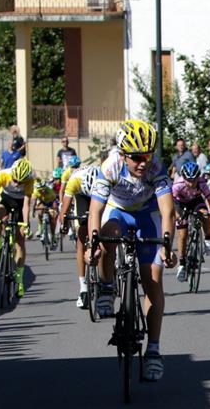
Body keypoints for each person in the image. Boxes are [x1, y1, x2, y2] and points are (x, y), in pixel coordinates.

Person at [87, 120, 176, 381]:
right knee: (108, 236)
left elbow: (168, 211)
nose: (143, 163)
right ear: (123, 155)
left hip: (147, 215)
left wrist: (168, 246)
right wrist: (93, 245)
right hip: (118, 211)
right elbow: (95, 211)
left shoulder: (156, 167)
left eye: (147, 156)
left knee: (153, 281)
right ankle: (107, 286)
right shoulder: (110, 166)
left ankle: (153, 351)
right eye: (136, 158)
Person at [0, 158, 35, 296]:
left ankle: (19, 280)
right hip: (6, 199)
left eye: (20, 182)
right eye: (15, 180)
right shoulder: (3, 175)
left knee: (20, 241)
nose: (17, 183)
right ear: (12, 174)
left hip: (20, 203)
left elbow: (26, 205)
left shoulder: (30, 181)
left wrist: (26, 224)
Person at [58, 165, 99, 308]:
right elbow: (64, 211)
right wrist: (64, 224)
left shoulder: (104, 179)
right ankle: (83, 288)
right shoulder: (74, 180)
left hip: (99, 195)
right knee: (82, 233)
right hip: (81, 195)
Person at [171, 159, 210, 283]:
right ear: (183, 178)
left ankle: (207, 240)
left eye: (194, 180)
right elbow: (170, 202)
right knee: (183, 234)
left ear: (198, 177)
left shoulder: (202, 183)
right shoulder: (177, 185)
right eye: (188, 180)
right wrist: (177, 215)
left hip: (195, 201)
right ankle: (182, 264)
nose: (191, 183)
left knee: (205, 214)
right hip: (180, 203)